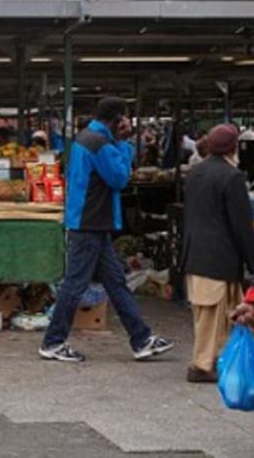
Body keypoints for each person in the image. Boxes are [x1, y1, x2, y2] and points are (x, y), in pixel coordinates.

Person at [40, 97, 175, 363]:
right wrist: (125, 144)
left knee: (116, 282)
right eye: (124, 118)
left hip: (89, 221)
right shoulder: (101, 143)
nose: (126, 123)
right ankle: (53, 342)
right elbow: (119, 178)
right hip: (90, 222)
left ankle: (141, 339)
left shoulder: (86, 137)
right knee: (76, 283)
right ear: (117, 119)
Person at [181, 124, 254, 383]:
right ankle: (202, 365)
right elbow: (242, 225)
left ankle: (214, 360)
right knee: (215, 316)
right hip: (219, 257)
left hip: (195, 255)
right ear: (234, 147)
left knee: (207, 316)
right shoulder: (232, 177)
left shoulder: (194, 173)